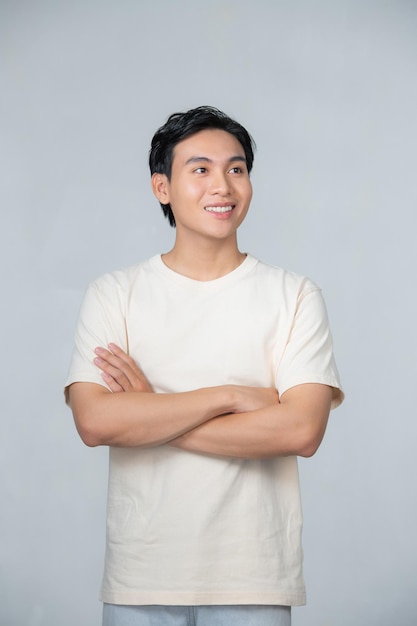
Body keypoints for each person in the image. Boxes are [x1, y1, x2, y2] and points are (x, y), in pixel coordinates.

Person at [65, 105, 344, 626]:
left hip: (253, 576)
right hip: (141, 575)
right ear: (161, 187)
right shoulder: (115, 294)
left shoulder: (294, 295)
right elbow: (95, 422)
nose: (223, 185)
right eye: (201, 169)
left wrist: (149, 414)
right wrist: (232, 396)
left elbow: (303, 430)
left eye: (236, 169)